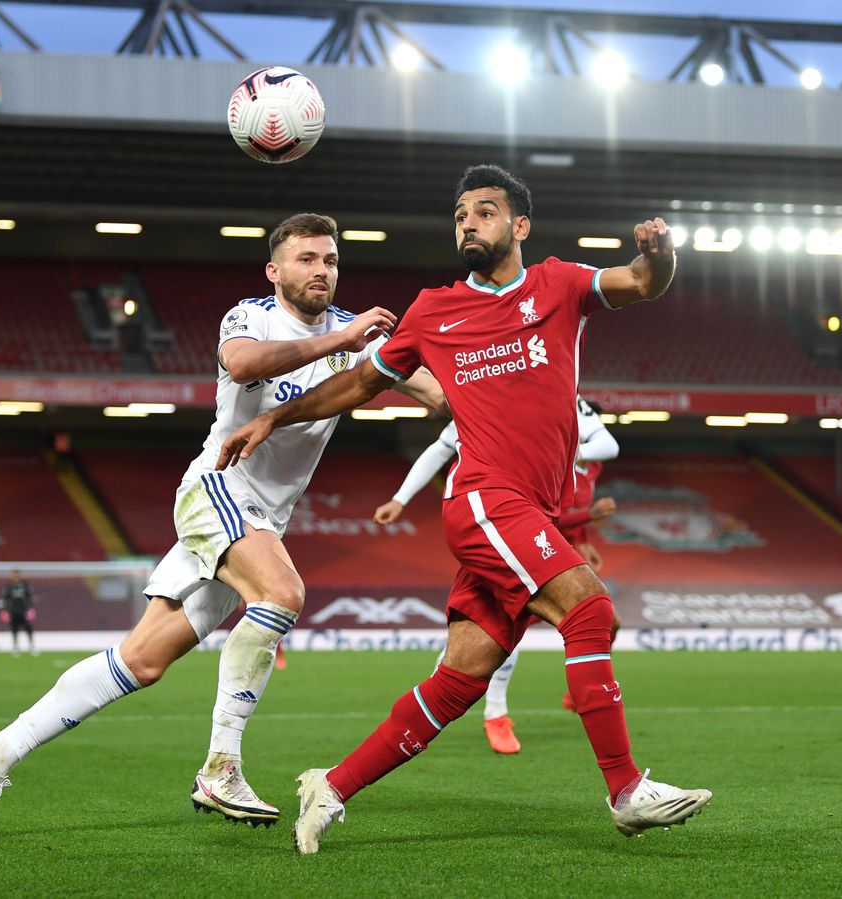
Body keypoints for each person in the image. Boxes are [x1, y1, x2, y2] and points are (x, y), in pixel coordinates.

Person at [218, 164, 712, 854]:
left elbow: (639, 282)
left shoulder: (559, 285)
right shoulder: (434, 310)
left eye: (484, 212)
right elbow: (359, 382)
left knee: (461, 677)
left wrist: (661, 256)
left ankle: (329, 784)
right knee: (590, 608)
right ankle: (627, 790)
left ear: (520, 226)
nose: (469, 224)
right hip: (485, 498)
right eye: (460, 215)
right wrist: (275, 419)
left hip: (527, 506)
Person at [0, 213, 444, 845]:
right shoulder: (251, 316)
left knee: (142, 660)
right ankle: (222, 767)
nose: (322, 270)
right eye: (307, 259)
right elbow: (241, 366)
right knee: (283, 594)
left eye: (331, 260)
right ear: (275, 270)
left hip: (263, 517)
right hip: (217, 487)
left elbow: (437, 394)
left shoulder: (360, 338)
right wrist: (337, 341)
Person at [373, 396, 619, 754]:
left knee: (603, 619)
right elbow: (441, 447)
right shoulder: (490, 397)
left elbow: (605, 448)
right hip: (497, 526)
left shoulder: (565, 407)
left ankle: (571, 698)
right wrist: (400, 498)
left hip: (545, 540)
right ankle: (494, 713)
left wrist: (581, 538)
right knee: (508, 625)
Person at [1, 569, 37, 656]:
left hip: (23, 611)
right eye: (15, 574)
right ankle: (16, 647)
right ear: (13, 575)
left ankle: (32, 646)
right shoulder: (9, 586)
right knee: (14, 630)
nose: (16, 576)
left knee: (28, 629)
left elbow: (30, 597)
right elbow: (5, 598)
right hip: (13, 611)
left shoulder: (24, 585)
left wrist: (30, 608)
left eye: (18, 574)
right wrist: (6, 610)